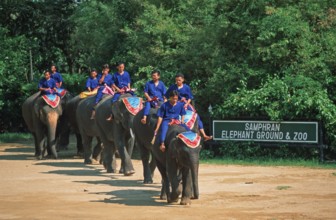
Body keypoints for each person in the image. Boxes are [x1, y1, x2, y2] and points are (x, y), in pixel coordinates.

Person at [165, 73, 212, 141]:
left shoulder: (186, 87)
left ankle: (204, 135)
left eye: (179, 80)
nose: (177, 82)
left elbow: (190, 97)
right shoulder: (172, 87)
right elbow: (166, 96)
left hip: (185, 103)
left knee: (196, 116)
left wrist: (187, 103)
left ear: (183, 80)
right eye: (176, 80)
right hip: (176, 104)